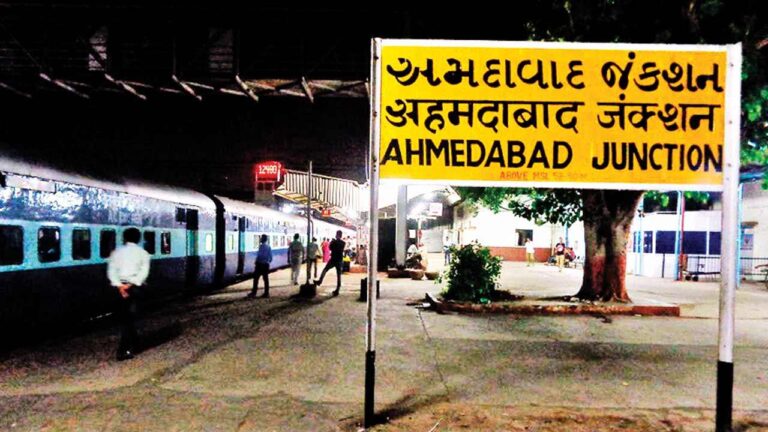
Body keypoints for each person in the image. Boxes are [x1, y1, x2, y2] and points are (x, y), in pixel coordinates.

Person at [107, 227, 151, 361]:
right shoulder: (143, 253)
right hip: (135, 288)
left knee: (125, 318)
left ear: (124, 238)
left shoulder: (116, 253)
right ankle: (123, 350)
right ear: (138, 239)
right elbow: (143, 273)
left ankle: (135, 343)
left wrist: (120, 286)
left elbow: (112, 271)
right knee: (130, 319)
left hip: (118, 289)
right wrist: (131, 284)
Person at [315, 230, 345, 296]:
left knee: (325, 269)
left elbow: (330, 248)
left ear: (336, 235)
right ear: (341, 235)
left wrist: (332, 242)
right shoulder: (343, 243)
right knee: (338, 275)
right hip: (339, 260)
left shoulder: (333, 242)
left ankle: (320, 281)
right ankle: (337, 290)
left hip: (333, 259)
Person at [247, 234, 272, 298]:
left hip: (260, 265)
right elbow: (271, 257)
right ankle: (266, 293)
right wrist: (267, 262)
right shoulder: (269, 247)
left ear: (262, 239)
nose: (260, 239)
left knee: (256, 279)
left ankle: (254, 293)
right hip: (266, 265)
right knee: (266, 279)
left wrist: (256, 261)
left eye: (261, 238)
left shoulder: (261, 246)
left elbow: (259, 255)